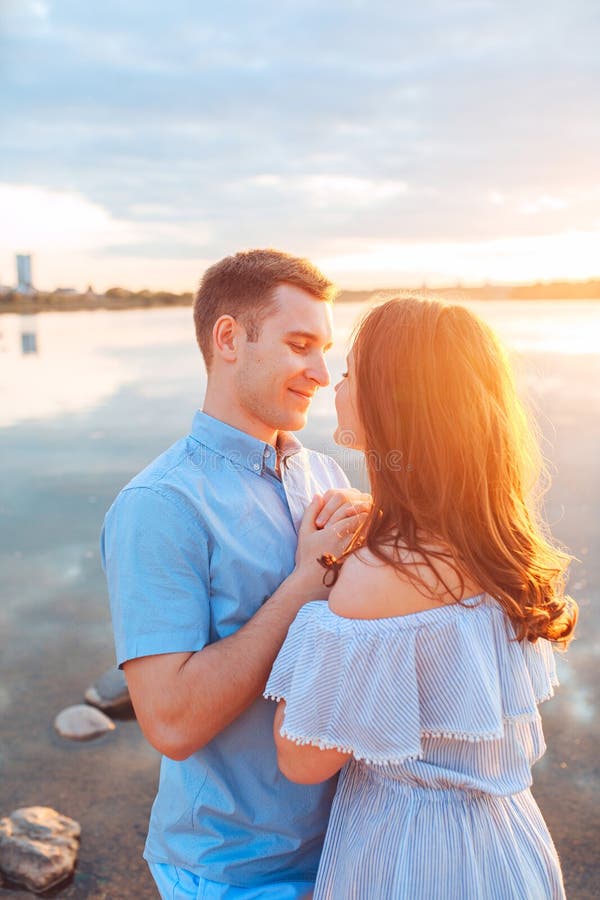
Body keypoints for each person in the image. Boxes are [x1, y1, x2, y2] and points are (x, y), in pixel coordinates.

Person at [265, 296, 578, 899]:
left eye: (352, 372)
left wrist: (313, 596)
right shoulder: (496, 542)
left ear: (394, 401)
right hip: (510, 846)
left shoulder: (376, 578)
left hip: (415, 860)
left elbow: (302, 760)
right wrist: (378, 519)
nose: (334, 382)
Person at [101, 249, 370, 899]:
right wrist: (307, 581)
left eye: (325, 349)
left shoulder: (323, 474)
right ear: (229, 339)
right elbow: (170, 722)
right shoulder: (161, 506)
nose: (319, 373)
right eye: (300, 345)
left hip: (351, 844)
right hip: (233, 872)